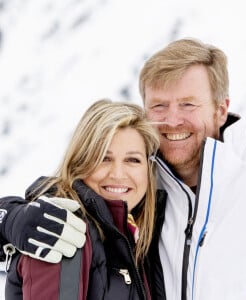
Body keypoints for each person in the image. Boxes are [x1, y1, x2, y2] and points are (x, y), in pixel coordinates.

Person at [1, 38, 246, 300]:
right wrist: (11, 218)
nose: (172, 120)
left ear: (221, 109)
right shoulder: (141, 188)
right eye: (159, 106)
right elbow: (70, 188)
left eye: (188, 104)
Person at [3, 99, 167, 299]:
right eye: (104, 158)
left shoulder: (139, 238)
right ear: (80, 162)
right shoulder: (62, 230)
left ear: (148, 171)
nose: (117, 173)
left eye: (133, 160)